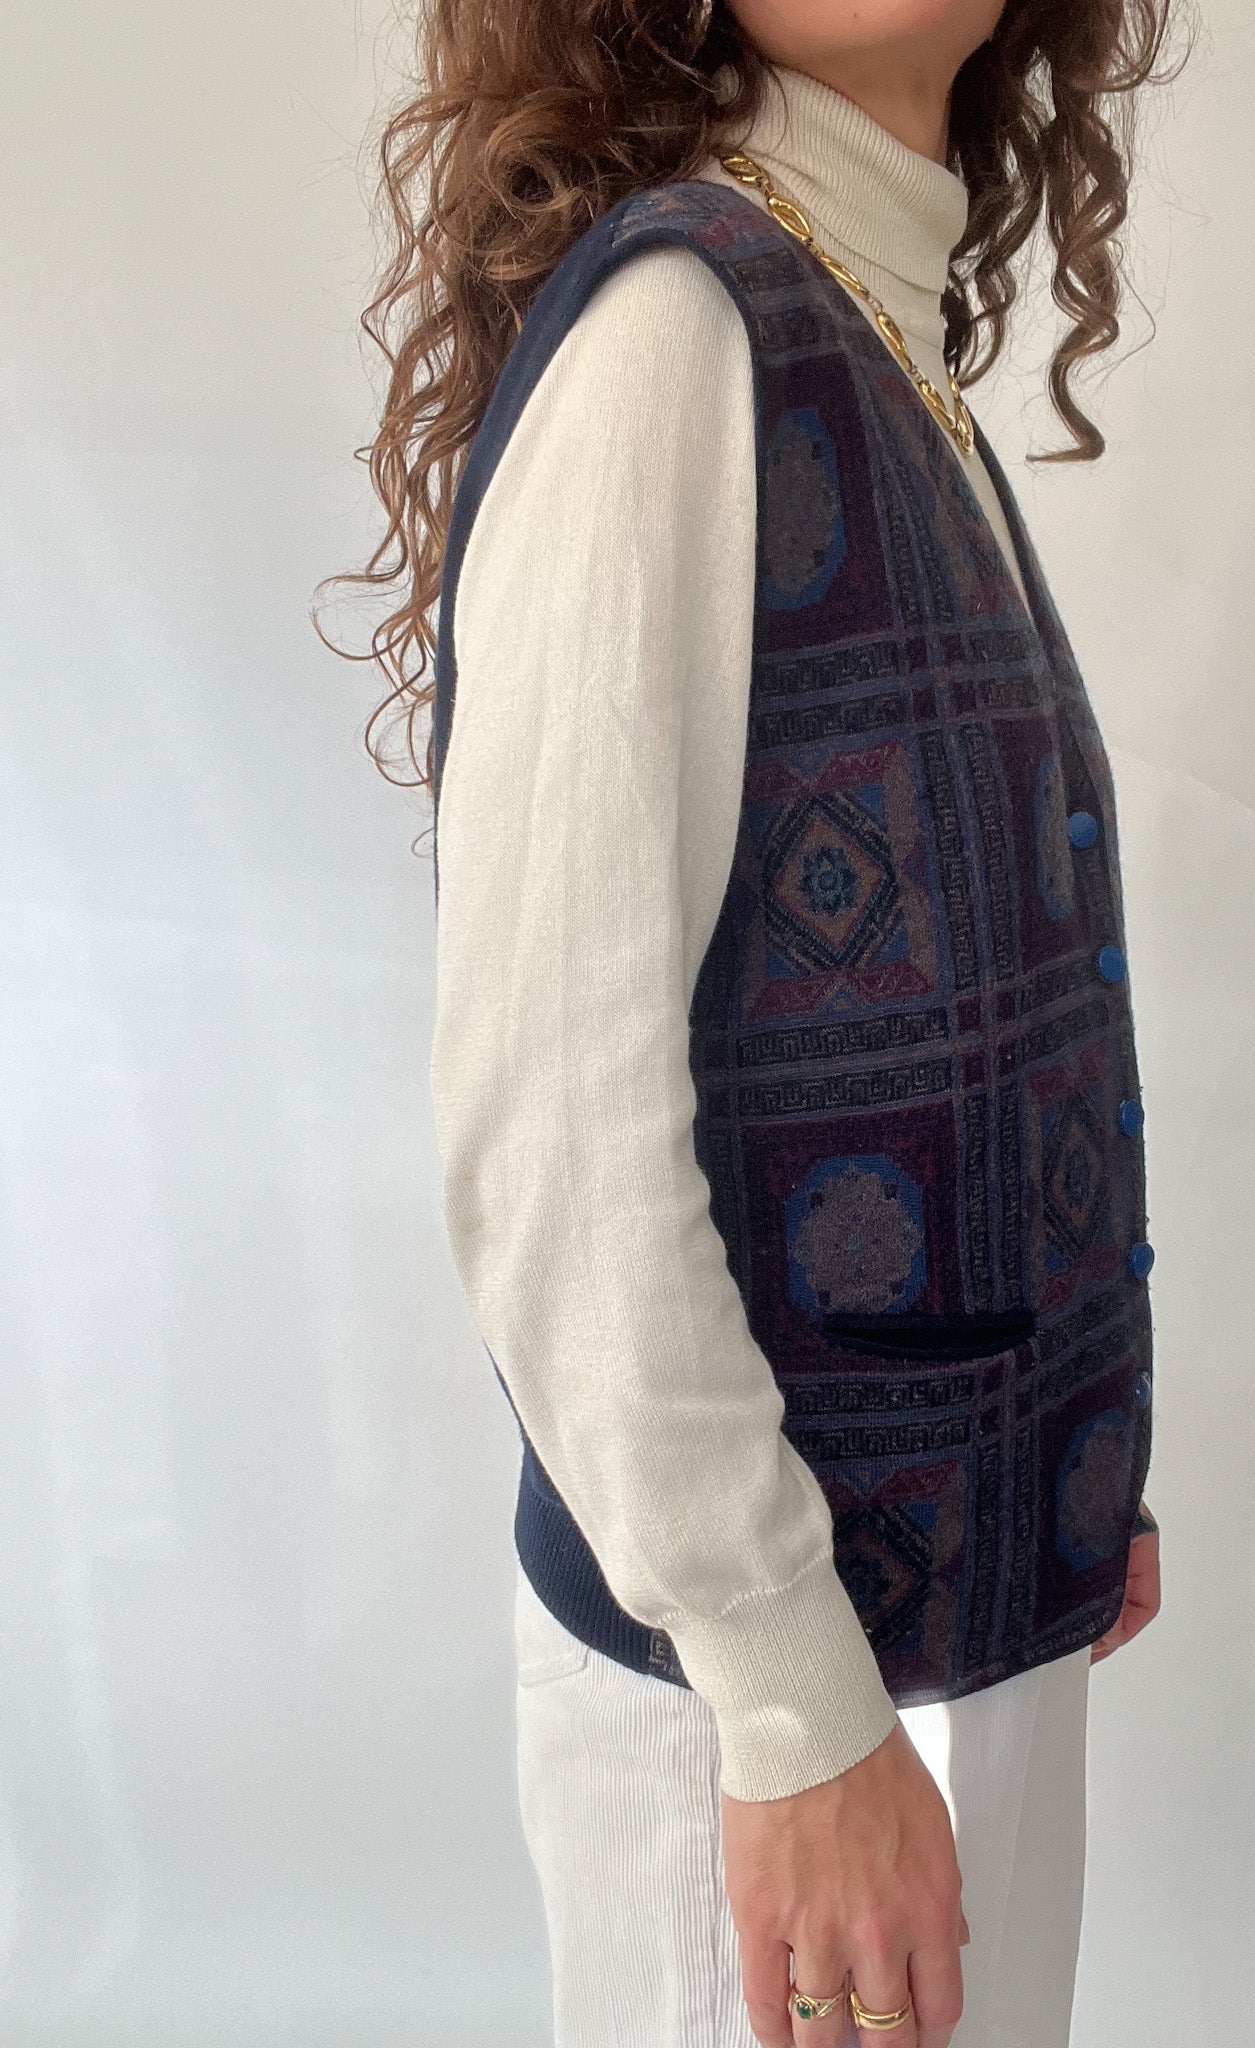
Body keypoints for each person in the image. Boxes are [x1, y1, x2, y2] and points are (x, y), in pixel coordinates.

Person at [326, 3, 1178, 2042]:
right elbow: (552, 1119)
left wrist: (1071, 1465)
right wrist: (792, 1706)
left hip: (945, 1630)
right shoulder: (679, 333)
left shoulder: (862, 307)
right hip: (777, 1702)